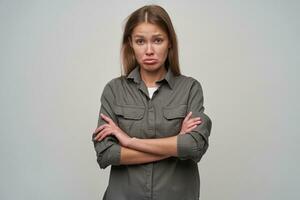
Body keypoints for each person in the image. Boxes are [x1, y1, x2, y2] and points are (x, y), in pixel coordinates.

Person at [92, 4, 212, 200]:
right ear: (130, 43)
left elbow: (193, 147)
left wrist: (130, 142)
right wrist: (174, 144)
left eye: (157, 40)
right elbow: (106, 154)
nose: (149, 50)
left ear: (170, 43)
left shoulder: (190, 88)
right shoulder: (114, 90)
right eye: (140, 41)